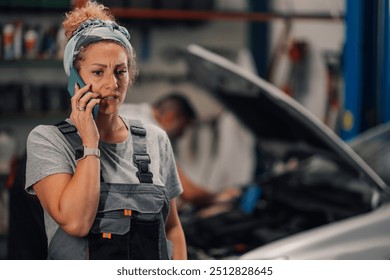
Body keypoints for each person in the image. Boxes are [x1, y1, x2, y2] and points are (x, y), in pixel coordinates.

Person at [25, 1, 186, 260]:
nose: (112, 84)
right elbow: (76, 223)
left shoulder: (156, 140)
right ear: (75, 79)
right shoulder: (48, 141)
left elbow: (172, 228)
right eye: (98, 72)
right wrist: (90, 142)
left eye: (120, 72)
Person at [120, 94, 240, 208]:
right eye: (183, 127)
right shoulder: (150, 132)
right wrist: (220, 197)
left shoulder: (130, 111)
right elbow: (188, 193)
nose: (182, 135)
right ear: (170, 117)